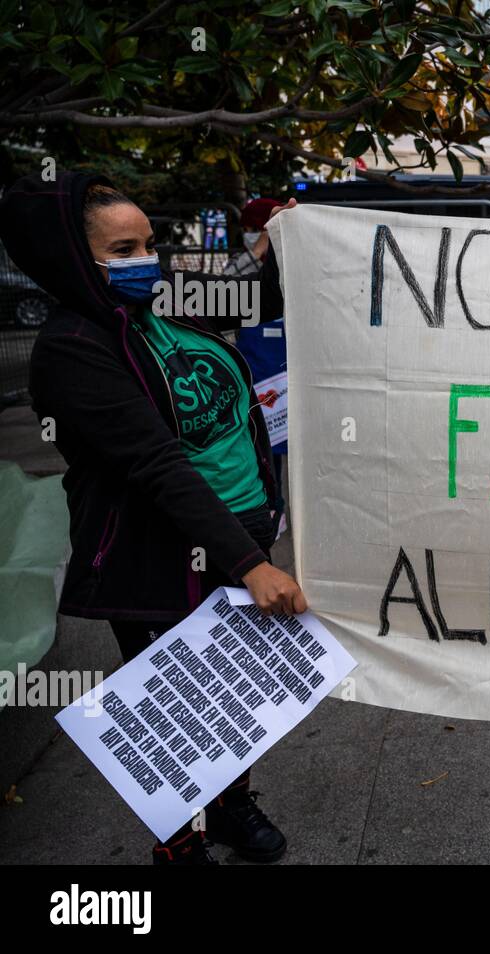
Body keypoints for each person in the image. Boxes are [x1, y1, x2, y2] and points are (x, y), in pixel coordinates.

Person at [0, 171, 306, 865]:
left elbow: (254, 298)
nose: (147, 261)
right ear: (77, 260)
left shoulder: (166, 299)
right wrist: (253, 566)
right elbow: (157, 465)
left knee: (235, 690)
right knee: (176, 709)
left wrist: (280, 242)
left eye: (148, 243)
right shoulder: (73, 350)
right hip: (161, 548)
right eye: (124, 249)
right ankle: (181, 841)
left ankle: (231, 809)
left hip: (241, 525)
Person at [226, 198, 288, 520]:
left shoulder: (297, 262)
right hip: (257, 384)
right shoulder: (241, 265)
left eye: (257, 229)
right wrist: (259, 249)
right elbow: (226, 293)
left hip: (293, 380)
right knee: (265, 454)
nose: (251, 235)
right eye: (247, 231)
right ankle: (272, 510)